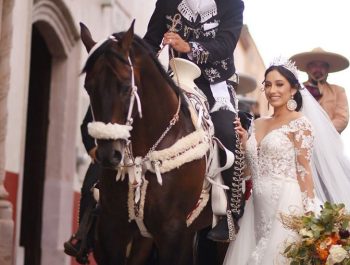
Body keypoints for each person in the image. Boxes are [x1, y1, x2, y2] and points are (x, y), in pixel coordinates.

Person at [143, 0, 249, 242]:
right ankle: (103, 197)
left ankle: (232, 213)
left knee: (226, 130)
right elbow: (150, 41)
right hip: (175, 78)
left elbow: (226, 44)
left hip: (215, 84)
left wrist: (187, 45)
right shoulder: (167, 2)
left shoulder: (232, 4)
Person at [223, 58, 320, 264]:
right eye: (267, 85)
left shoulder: (300, 123)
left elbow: (304, 170)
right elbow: (248, 172)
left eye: (279, 84)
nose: (272, 90)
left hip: (286, 204)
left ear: (293, 89)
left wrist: (311, 212)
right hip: (256, 207)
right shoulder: (257, 123)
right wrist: (243, 145)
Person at [63, 107, 101, 264]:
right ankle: (83, 240)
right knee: (88, 188)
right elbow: (86, 125)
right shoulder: (104, 88)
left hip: (142, 155)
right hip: (109, 154)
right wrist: (93, 150)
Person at [290, 47, 349, 133]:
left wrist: (323, 133)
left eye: (322, 66)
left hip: (329, 142)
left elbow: (342, 119)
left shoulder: (338, 91)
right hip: (299, 138)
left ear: (328, 69)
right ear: (307, 68)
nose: (318, 69)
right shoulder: (295, 90)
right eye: (314, 65)